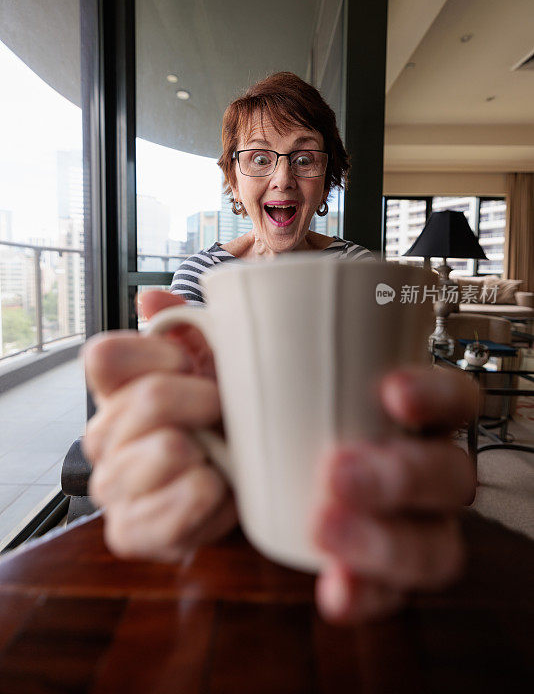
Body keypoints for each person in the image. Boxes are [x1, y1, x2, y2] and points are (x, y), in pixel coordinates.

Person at [83, 72, 477, 624]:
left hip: (339, 516)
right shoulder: (201, 272)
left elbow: (403, 388)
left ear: (327, 176)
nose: (283, 179)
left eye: (305, 158)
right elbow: (174, 388)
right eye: (260, 158)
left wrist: (421, 427)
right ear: (233, 177)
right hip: (224, 523)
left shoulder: (362, 271)